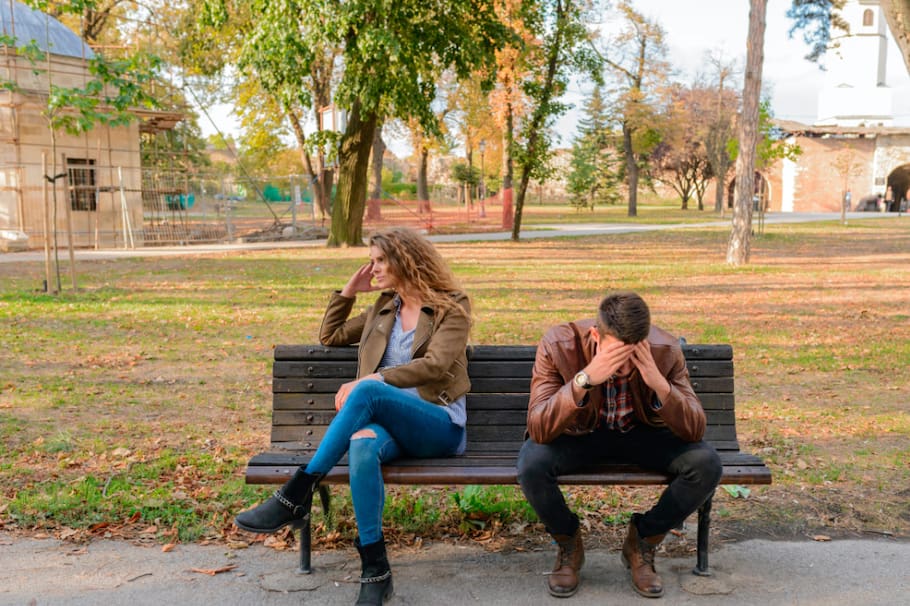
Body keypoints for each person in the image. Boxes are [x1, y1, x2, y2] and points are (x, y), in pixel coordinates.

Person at [235, 227, 472, 606]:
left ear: (404, 260)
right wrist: (348, 291)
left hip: (439, 423)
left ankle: (297, 491)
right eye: (372, 261)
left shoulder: (451, 305)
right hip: (389, 425)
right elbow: (330, 336)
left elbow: (436, 364)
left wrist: (376, 379)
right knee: (362, 445)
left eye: (379, 260)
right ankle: (375, 571)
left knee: (366, 389)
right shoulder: (383, 308)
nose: (372, 268)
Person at [517, 292, 722, 599]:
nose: (623, 368)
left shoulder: (664, 349)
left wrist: (657, 381)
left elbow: (694, 429)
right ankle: (568, 542)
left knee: (706, 464)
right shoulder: (559, 344)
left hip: (641, 434)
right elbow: (539, 428)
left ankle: (643, 541)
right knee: (531, 464)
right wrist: (583, 380)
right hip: (581, 435)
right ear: (596, 336)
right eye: (615, 356)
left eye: (632, 356)